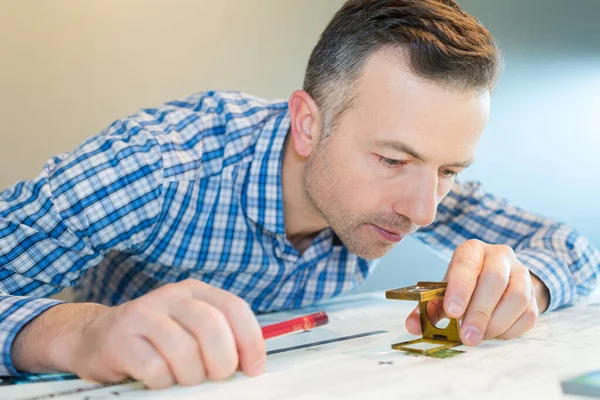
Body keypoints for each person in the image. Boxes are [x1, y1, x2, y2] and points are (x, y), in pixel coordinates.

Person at [1, 0, 598, 390]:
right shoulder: (156, 166)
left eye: (449, 171)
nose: (424, 210)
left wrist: (525, 286)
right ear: (308, 124)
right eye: (393, 159)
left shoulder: (421, 185)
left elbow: (570, 246)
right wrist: (80, 334)